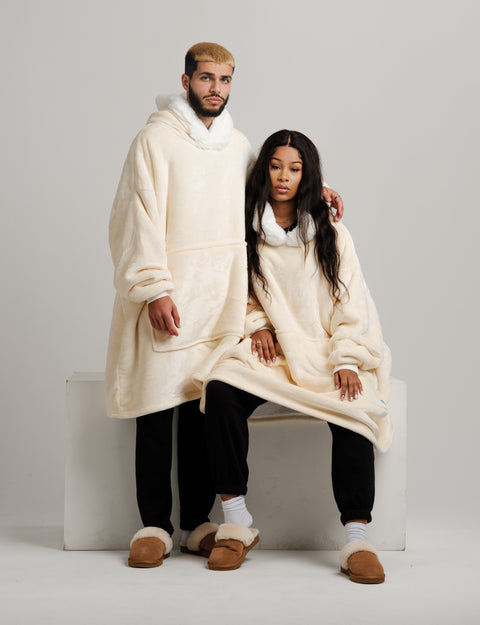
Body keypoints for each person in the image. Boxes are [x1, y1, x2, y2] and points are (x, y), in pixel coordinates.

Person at [106, 44, 344, 568]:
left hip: (220, 301)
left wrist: (320, 189)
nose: (216, 89)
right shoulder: (154, 140)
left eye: (225, 80)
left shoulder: (236, 144)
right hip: (171, 294)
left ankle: (196, 523)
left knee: (200, 409)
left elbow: (268, 182)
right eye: (206, 78)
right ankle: (153, 525)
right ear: (186, 80)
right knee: (155, 410)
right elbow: (134, 216)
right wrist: (153, 288)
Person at [202, 130, 392, 583]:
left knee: (355, 410)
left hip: (327, 350)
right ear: (262, 170)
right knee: (220, 389)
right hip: (275, 351)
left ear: (308, 176)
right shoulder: (244, 232)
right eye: (275, 166)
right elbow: (240, 294)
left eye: (294, 168)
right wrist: (258, 325)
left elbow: (352, 303)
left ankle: (357, 538)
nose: (283, 177)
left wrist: (346, 359)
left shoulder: (332, 233)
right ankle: (237, 521)